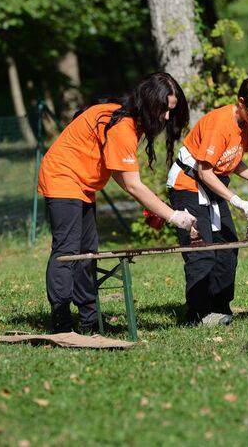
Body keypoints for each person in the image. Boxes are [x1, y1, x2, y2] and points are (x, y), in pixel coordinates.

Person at [38, 72, 196, 334]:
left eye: (171, 111)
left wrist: (155, 206)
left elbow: (122, 177)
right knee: (67, 249)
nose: (167, 117)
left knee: (88, 250)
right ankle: (61, 320)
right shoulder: (122, 126)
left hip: (83, 183)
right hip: (62, 176)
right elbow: (133, 184)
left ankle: (90, 321)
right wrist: (173, 216)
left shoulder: (127, 121)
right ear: (150, 102)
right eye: (164, 110)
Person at [167, 76, 248, 326]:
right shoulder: (220, 123)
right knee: (202, 250)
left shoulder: (246, 122)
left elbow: (232, 159)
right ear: (241, 102)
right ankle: (197, 314)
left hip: (212, 186)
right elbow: (205, 170)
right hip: (188, 185)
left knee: (228, 246)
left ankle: (219, 308)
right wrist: (237, 200)